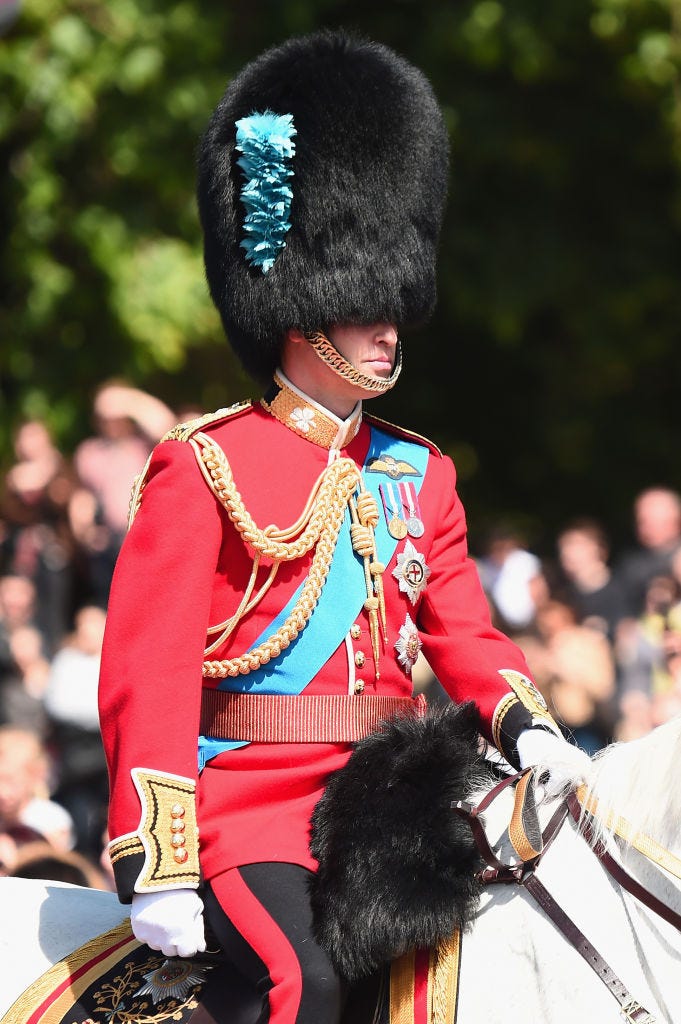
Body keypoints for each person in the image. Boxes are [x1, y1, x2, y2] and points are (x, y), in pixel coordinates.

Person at [98, 31, 589, 1024]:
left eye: (393, 303)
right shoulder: (208, 462)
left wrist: (535, 729)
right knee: (305, 980)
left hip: (392, 799)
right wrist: (156, 860)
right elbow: (146, 672)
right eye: (366, 304)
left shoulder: (420, 471)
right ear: (298, 307)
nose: (390, 325)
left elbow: (463, 631)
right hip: (250, 808)